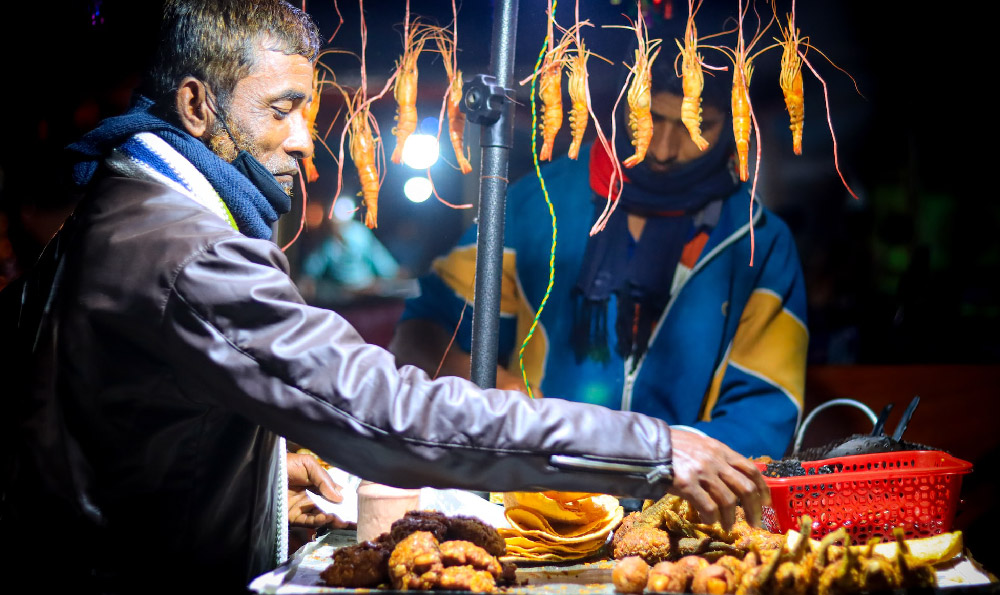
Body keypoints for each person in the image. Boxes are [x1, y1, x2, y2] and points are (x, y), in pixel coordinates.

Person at [0, 2, 769, 592]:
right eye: (281, 109)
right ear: (197, 106)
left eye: (307, 108)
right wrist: (651, 445)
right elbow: (387, 411)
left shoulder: (122, 203)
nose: (306, 139)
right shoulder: (188, 249)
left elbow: (107, 425)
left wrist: (265, 472)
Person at [391, 15, 808, 460]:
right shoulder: (540, 201)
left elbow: (766, 408)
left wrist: (657, 465)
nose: (663, 149)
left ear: (733, 123)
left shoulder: (757, 240)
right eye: (648, 117)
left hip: (679, 504)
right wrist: (499, 395)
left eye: (695, 124)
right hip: (533, 487)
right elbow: (422, 332)